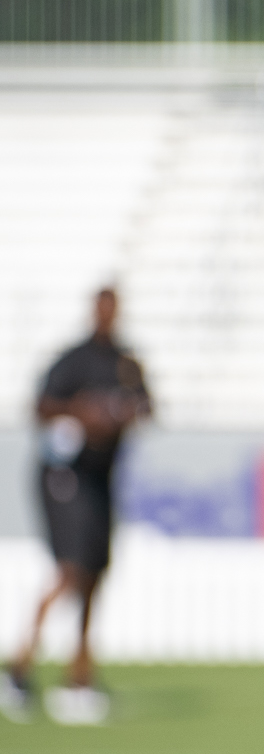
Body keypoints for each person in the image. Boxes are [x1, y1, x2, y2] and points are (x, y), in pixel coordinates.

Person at [4, 287, 150, 727]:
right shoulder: (74, 360)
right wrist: (80, 412)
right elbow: (40, 407)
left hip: (101, 479)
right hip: (65, 477)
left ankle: (79, 677)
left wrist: (123, 414)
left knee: (93, 575)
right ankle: (18, 668)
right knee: (70, 571)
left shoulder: (126, 363)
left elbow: (148, 406)